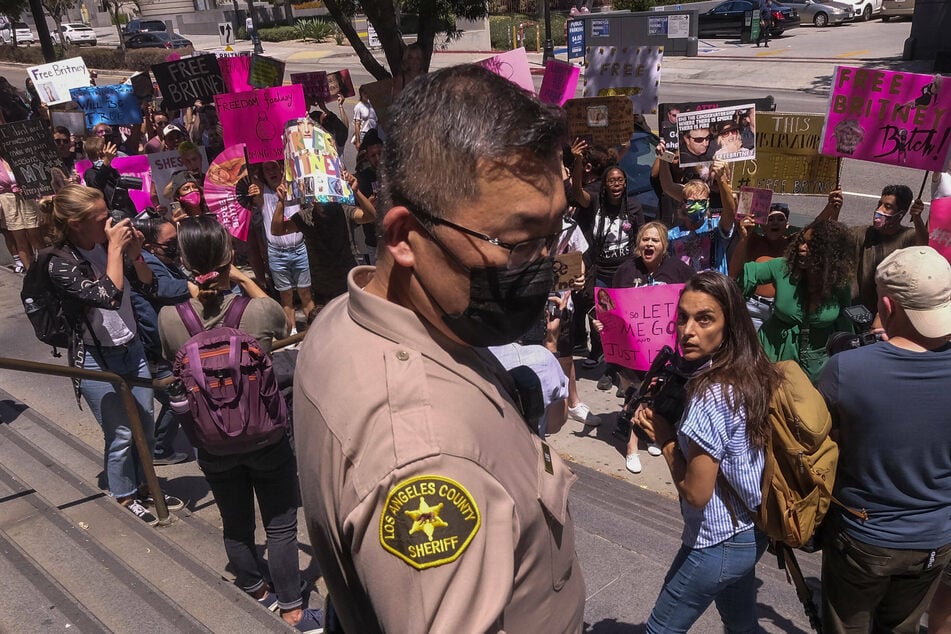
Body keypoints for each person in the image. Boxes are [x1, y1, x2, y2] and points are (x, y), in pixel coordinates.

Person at [294, 64, 585, 632]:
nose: (545, 267)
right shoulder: (427, 459)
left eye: (554, 235)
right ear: (404, 238)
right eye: (520, 243)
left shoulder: (346, 316)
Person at [157, 215, 322, 631]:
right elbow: (285, 326)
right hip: (265, 434)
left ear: (183, 261)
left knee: (236, 519)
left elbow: (169, 359)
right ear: (230, 256)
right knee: (281, 523)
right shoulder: (259, 310)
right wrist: (243, 278)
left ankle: (253, 585)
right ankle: (292, 606)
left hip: (211, 440)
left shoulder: (170, 318)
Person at [634, 271, 780, 632]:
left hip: (717, 539)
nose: (687, 330)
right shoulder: (749, 373)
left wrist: (665, 438)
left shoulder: (711, 395)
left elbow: (697, 494)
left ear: (729, 325)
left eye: (704, 319)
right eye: (682, 317)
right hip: (751, 530)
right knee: (741, 624)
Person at [818, 246, 951, 633]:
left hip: (864, 539)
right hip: (936, 539)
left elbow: (813, 440)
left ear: (887, 306)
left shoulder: (848, 368)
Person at [39, 184, 183, 525]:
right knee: (120, 433)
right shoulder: (58, 262)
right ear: (77, 224)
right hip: (93, 356)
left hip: (131, 349)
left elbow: (148, 286)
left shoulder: (110, 247)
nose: (109, 225)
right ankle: (125, 494)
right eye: (102, 219)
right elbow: (107, 296)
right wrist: (116, 250)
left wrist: (133, 253)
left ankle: (146, 483)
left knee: (145, 426)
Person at [607, 221, 694, 473]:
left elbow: (691, 299)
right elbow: (611, 308)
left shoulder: (678, 271)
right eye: (645, 239)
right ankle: (632, 446)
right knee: (637, 393)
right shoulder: (625, 272)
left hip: (665, 348)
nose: (649, 244)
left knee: (657, 393)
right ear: (638, 245)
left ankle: (650, 431)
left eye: (655, 240)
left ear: (664, 246)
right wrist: (604, 326)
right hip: (633, 349)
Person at [740, 218, 856, 383]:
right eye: (801, 242)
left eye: (810, 245)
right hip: (773, 360)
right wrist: (743, 239)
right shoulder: (782, 267)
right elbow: (739, 276)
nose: (802, 248)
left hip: (817, 369)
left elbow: (845, 326)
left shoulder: (839, 283)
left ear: (828, 253)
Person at [817, 184, 927, 321]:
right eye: (879, 204)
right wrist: (833, 209)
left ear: (901, 213)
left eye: (888, 207)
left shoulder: (907, 237)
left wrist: (917, 218)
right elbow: (830, 238)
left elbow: (923, 247)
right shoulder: (860, 234)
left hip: (885, 320)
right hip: (852, 313)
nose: (879, 210)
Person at [253, 160, 315, 333]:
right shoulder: (262, 194)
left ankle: (313, 329)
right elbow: (248, 170)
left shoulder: (295, 189)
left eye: (274, 167)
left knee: (305, 294)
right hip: (277, 253)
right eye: (267, 169)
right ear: (263, 174)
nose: (271, 171)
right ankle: (292, 331)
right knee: (286, 296)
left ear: (282, 169)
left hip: (299, 249)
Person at [658, 160, 737, 274]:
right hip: (685, 288)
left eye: (701, 202)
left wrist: (721, 179)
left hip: (713, 288)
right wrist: (663, 158)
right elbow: (667, 186)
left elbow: (729, 212)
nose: (696, 206)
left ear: (708, 202)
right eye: (691, 202)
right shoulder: (671, 236)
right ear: (682, 203)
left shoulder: (716, 227)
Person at [728, 204, 794, 330]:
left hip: (780, 312)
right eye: (770, 219)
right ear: (762, 224)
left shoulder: (793, 245)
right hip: (752, 308)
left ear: (787, 225)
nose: (775, 223)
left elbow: (817, 231)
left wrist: (832, 207)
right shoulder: (752, 241)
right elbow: (737, 214)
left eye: (780, 219)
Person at [352, 85, 378, 151]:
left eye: (368, 93)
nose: (367, 95)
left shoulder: (373, 104)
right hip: (364, 135)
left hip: (374, 134)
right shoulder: (358, 107)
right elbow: (357, 125)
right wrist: (358, 142)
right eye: (365, 93)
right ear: (361, 94)